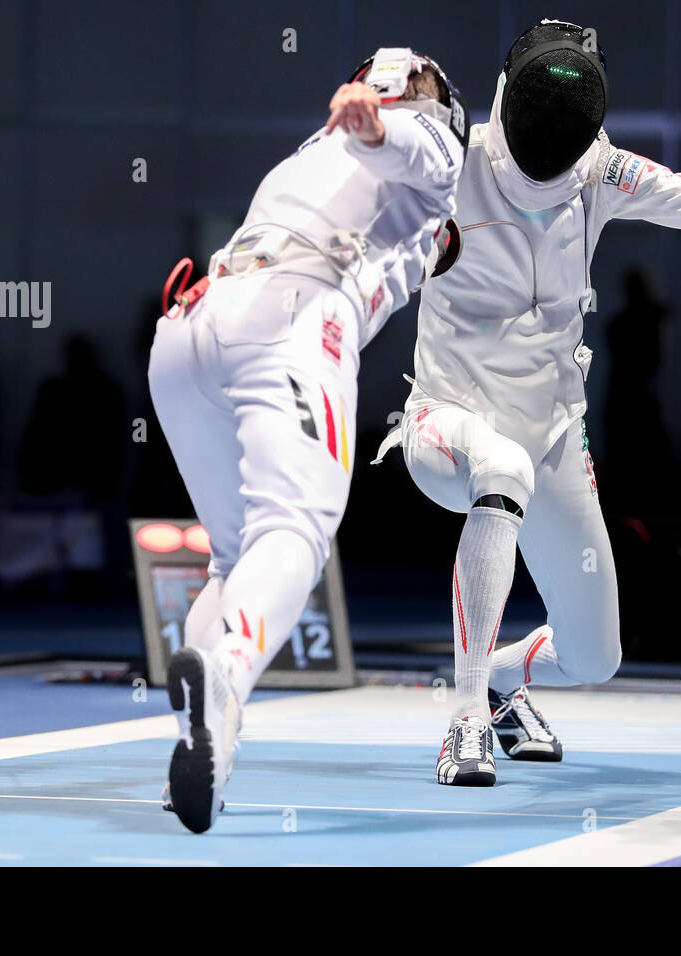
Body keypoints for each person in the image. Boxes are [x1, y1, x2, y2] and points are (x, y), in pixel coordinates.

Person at [375, 20, 681, 786]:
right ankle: (463, 721)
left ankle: (493, 681)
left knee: (595, 656)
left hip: (553, 437)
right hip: (446, 426)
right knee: (495, 463)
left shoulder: (599, 171)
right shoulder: (449, 162)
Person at [149, 48, 467, 832]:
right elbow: (420, 144)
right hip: (289, 321)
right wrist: (377, 121)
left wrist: (367, 128)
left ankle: (206, 751)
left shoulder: (308, 163)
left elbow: (429, 236)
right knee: (295, 532)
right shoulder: (419, 144)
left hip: (186, 329)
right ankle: (223, 675)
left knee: (235, 559)